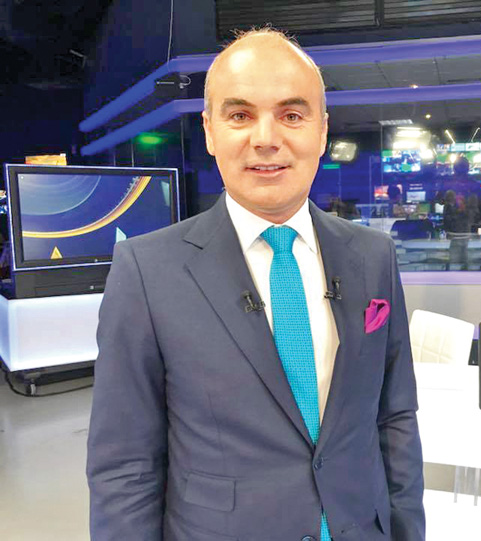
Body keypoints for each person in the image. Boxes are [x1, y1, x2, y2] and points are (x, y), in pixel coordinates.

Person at [86, 28, 425, 541]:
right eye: (240, 116)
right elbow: (124, 465)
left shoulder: (373, 256)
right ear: (209, 131)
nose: (266, 138)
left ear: (322, 130)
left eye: (292, 115)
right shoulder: (146, 271)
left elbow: (394, 417)